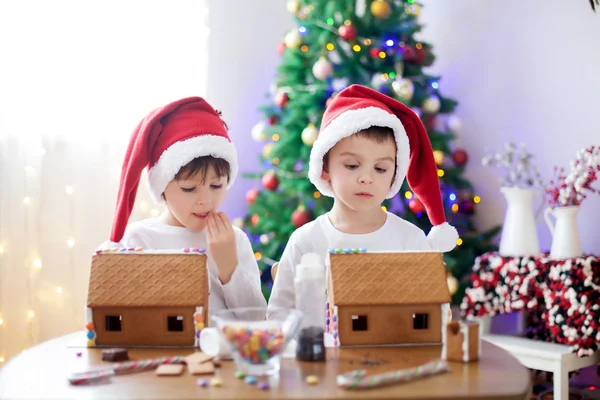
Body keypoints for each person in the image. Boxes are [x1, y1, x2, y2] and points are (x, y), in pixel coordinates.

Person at [267, 84, 458, 319]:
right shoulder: (305, 241)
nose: (366, 178)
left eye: (380, 168)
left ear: (394, 175)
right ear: (325, 167)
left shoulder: (411, 240)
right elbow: (278, 315)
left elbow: (437, 315)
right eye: (352, 165)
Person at [103, 97, 266, 315]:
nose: (206, 200)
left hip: (219, 349)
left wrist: (229, 267)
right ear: (162, 186)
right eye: (189, 189)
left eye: (216, 185)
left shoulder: (234, 240)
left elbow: (257, 320)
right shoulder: (138, 239)